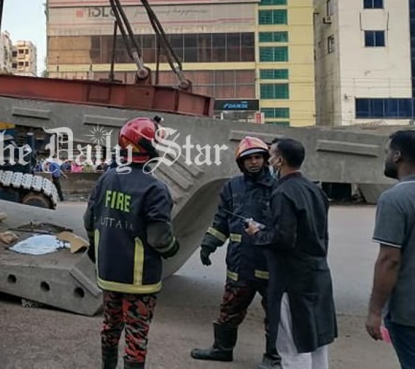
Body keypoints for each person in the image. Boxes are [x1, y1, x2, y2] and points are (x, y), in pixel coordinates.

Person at [83, 117, 180, 369]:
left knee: (110, 325)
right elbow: (160, 239)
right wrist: (173, 249)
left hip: (108, 272)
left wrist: (96, 252)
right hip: (138, 280)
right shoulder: (156, 188)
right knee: (136, 333)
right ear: (148, 147)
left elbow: (89, 220)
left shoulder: (107, 178)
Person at [246, 138, 336, 369]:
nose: (268, 160)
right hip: (317, 272)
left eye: (271, 155)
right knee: (316, 342)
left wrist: (257, 234)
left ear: (279, 160)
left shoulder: (283, 192)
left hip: (292, 279)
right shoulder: (315, 189)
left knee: (293, 346)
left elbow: (284, 239)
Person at [192, 137, 280, 368]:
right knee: (230, 307)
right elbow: (222, 219)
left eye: (258, 157)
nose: (253, 162)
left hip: (270, 262)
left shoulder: (279, 187)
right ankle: (222, 349)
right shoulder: (232, 186)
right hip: (240, 262)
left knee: (276, 314)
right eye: (248, 158)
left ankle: (273, 357)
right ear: (240, 163)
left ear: (265, 159)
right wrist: (209, 244)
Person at [366, 130, 415, 367]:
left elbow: (389, 260)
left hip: (408, 313)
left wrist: (375, 311)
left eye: (386, 152)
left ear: (397, 156)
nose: (385, 158)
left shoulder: (395, 198)